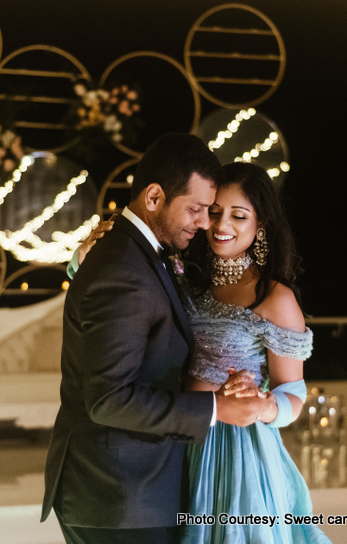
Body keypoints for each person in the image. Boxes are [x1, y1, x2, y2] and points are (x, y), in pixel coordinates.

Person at [71, 162, 331, 543]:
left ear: (260, 225)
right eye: (214, 212)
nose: (222, 225)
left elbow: (293, 394)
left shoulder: (276, 298)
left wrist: (262, 405)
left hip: (233, 454)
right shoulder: (187, 279)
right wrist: (84, 258)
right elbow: (117, 305)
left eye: (238, 215)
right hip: (173, 438)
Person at [41, 133, 273, 544]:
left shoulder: (141, 254)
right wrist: (216, 408)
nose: (205, 223)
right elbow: (109, 399)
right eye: (197, 209)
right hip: (119, 496)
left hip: (134, 492)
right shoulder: (123, 269)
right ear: (153, 198)